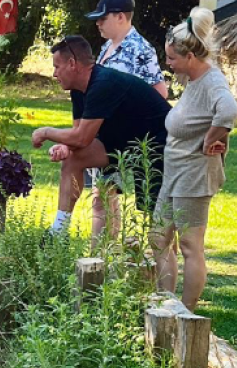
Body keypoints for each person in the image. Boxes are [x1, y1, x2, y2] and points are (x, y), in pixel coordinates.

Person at [31, 36, 171, 238]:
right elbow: (78, 135)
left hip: (157, 144)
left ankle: (168, 266)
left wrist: (46, 132)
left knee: (156, 221)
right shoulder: (79, 89)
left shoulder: (103, 83)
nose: (54, 73)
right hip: (123, 142)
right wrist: (65, 146)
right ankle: (59, 232)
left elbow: (81, 139)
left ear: (72, 64)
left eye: (57, 66)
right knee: (73, 158)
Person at [150, 7, 237, 309]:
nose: (168, 63)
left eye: (172, 58)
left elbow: (228, 111)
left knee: (189, 245)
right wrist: (214, 136)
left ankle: (186, 314)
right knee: (158, 238)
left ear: (190, 57)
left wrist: (214, 139)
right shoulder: (194, 81)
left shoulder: (212, 81)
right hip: (175, 174)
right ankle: (166, 303)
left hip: (194, 176)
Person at [85, 0, 168, 241]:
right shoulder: (106, 48)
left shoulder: (140, 49)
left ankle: (149, 262)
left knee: (149, 206)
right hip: (109, 137)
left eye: (103, 17)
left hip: (139, 139)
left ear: (121, 17)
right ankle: (100, 257)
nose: (98, 23)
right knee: (103, 197)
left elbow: (159, 93)